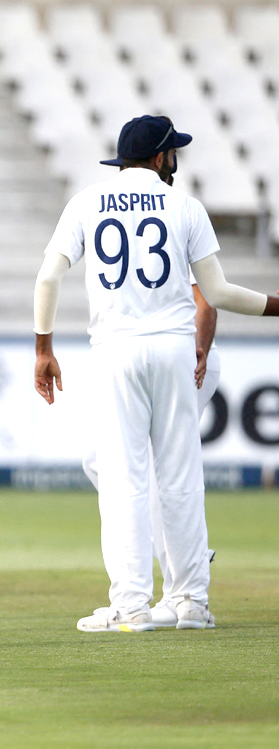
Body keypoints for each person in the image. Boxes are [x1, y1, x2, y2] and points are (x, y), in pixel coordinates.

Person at [33, 115, 279, 633]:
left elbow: (49, 277)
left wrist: (44, 347)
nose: (176, 160)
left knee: (122, 481)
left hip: (115, 353)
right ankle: (190, 600)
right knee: (181, 477)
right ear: (163, 157)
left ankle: (132, 605)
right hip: (174, 349)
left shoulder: (86, 203)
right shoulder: (185, 207)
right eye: (174, 153)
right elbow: (219, 294)